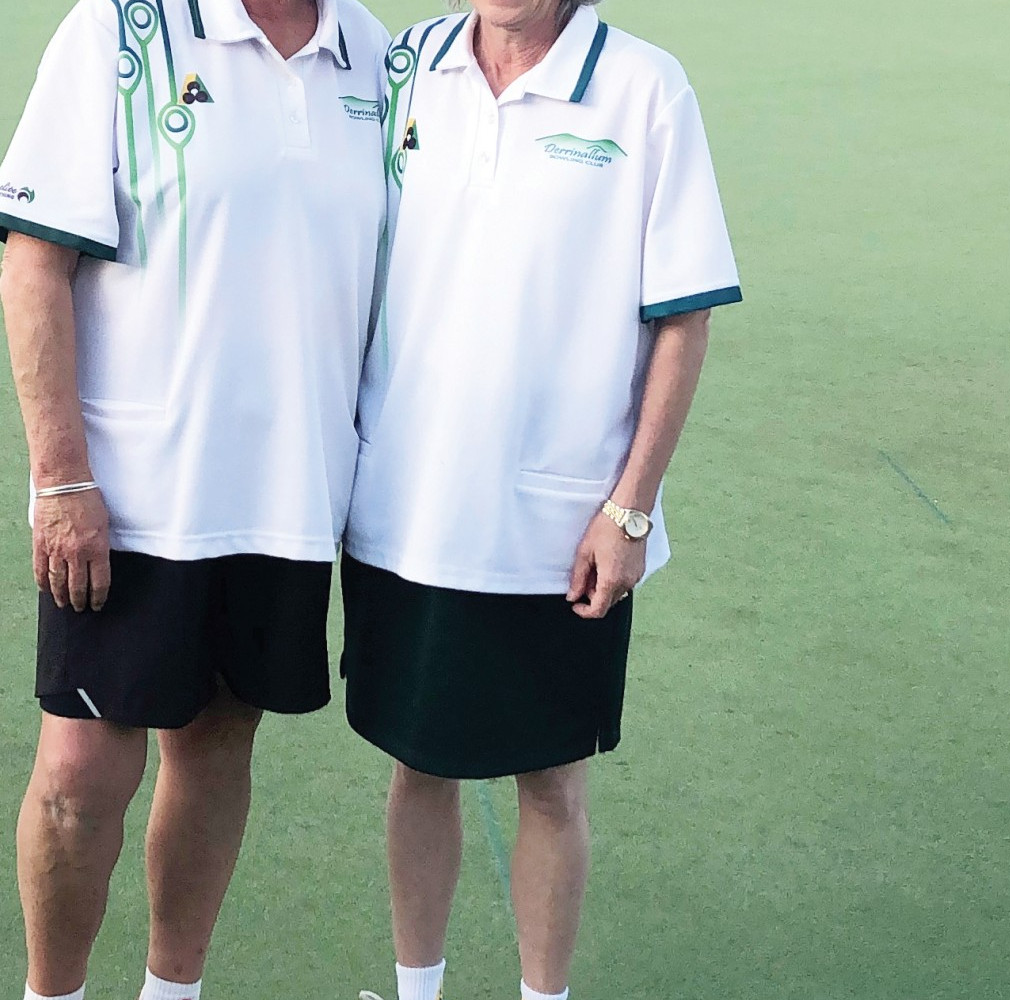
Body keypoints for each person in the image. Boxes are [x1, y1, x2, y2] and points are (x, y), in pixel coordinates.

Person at [0, 0, 389, 995]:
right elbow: (34, 265)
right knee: (80, 776)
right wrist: (62, 476)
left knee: (215, 745)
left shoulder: (373, 53)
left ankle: (174, 987)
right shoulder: (119, 32)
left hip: (290, 493)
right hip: (133, 495)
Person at [342, 0, 742, 998]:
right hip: (407, 508)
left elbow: (683, 319)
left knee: (553, 780)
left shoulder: (644, 88)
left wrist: (631, 508)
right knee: (416, 765)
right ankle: (416, 990)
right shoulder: (404, 70)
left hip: (560, 523)